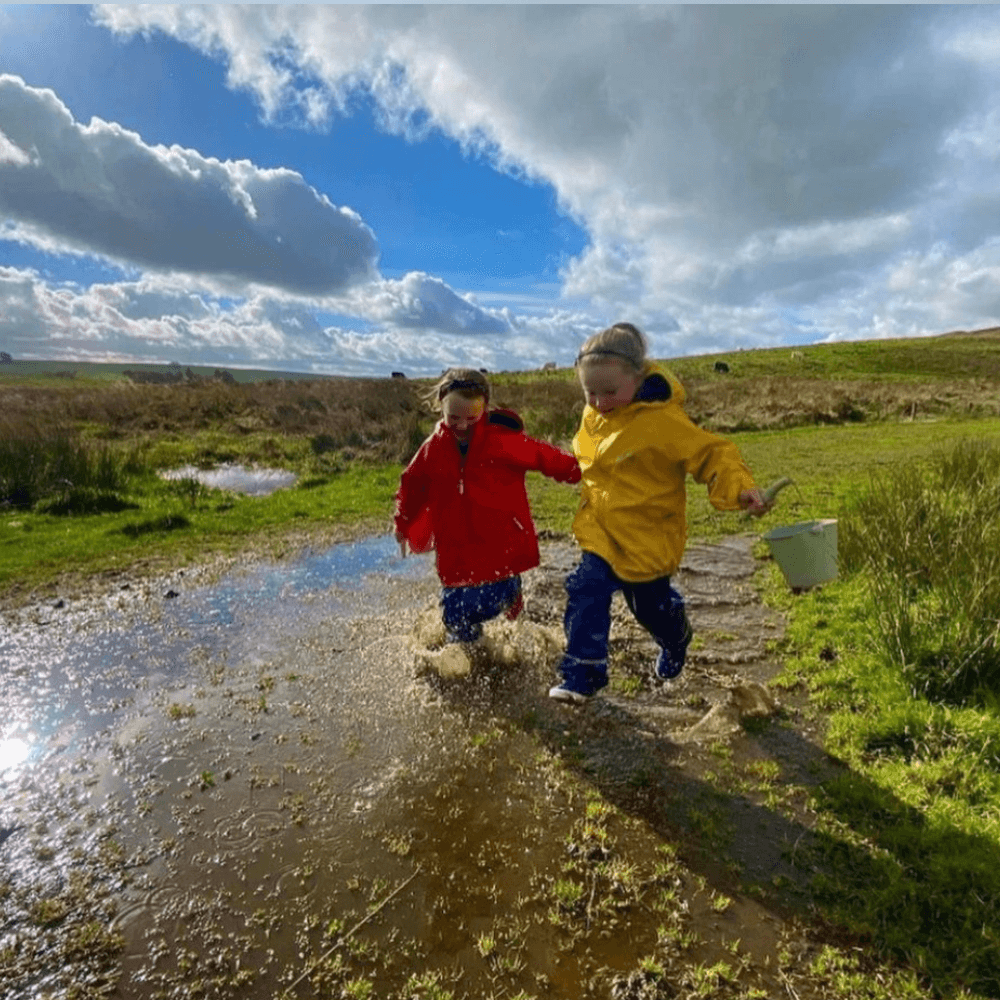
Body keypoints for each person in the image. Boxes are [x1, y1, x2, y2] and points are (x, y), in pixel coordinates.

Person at [549, 323, 772, 704]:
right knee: (586, 587)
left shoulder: (663, 420)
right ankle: (581, 674)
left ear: (638, 377)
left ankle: (676, 638)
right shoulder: (594, 415)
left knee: (650, 609)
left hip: (648, 537)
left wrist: (741, 490)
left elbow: (713, 453)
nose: (599, 401)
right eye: (591, 392)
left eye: (609, 392)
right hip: (601, 530)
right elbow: (594, 458)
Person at [395, 367, 581, 675]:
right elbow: (410, 485)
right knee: (454, 613)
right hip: (454, 555)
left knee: (491, 599)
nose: (462, 426)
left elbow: (543, 456)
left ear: (486, 408)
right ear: (441, 406)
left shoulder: (503, 441)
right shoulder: (432, 449)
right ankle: (465, 659)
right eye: (454, 418)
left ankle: (506, 606)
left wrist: (578, 470)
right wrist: (402, 524)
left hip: (501, 553)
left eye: (472, 418)